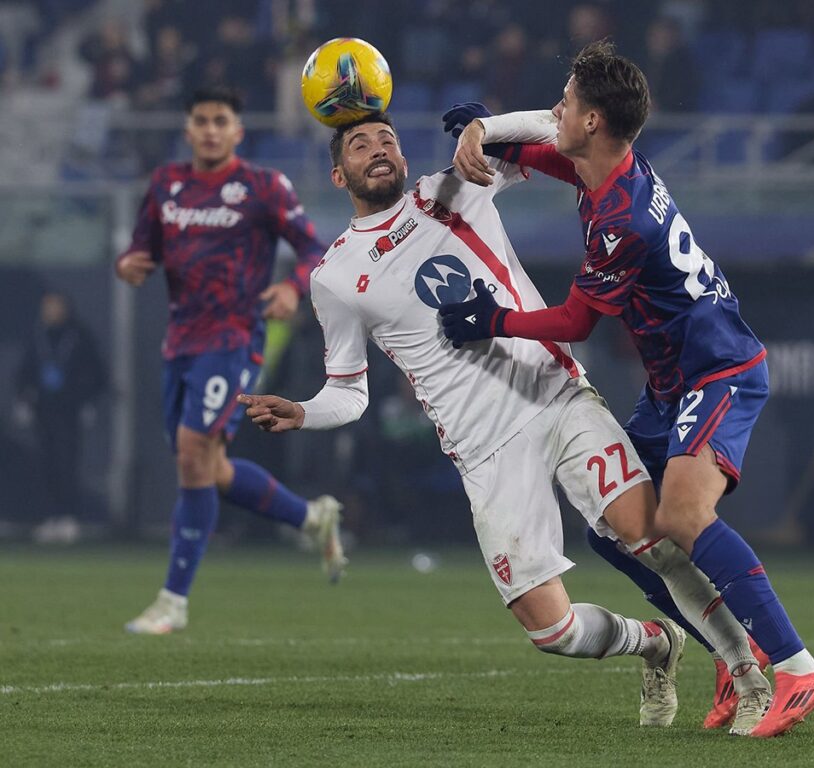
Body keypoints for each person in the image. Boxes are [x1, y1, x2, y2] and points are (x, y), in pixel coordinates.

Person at [238, 112, 769, 730]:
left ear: (404, 157)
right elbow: (349, 393)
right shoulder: (333, 277)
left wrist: (484, 129)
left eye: (387, 140)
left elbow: (559, 125)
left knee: (650, 538)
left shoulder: (453, 186)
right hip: (483, 449)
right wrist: (304, 411)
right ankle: (654, 642)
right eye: (360, 145)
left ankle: (749, 675)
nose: (377, 149)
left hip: (557, 396)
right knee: (552, 630)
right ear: (338, 175)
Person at [441, 41, 814, 737]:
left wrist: (493, 320)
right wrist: (488, 133)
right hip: (670, 386)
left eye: (567, 101)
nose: (556, 110)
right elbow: (544, 153)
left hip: (717, 371)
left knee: (682, 516)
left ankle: (799, 668)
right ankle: (729, 653)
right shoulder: (610, 169)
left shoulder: (623, 218)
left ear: (593, 121)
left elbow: (576, 323)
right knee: (613, 531)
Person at [115, 85, 344, 635]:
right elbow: (140, 248)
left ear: (238, 131)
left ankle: (173, 601)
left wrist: (290, 287)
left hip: (233, 339)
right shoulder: (166, 185)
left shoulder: (264, 187)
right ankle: (311, 517)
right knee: (207, 467)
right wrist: (129, 264)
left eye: (221, 120)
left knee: (193, 454)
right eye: (202, 120)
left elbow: (314, 249)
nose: (211, 130)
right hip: (180, 343)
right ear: (188, 129)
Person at [15, 291, 106, 543]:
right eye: (48, 307)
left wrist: (86, 400)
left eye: (56, 307)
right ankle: (51, 516)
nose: (51, 312)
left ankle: (69, 517)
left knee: (67, 464)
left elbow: (96, 373)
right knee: (47, 465)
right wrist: (23, 399)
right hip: (43, 412)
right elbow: (24, 372)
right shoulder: (36, 337)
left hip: (68, 411)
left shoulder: (79, 337)